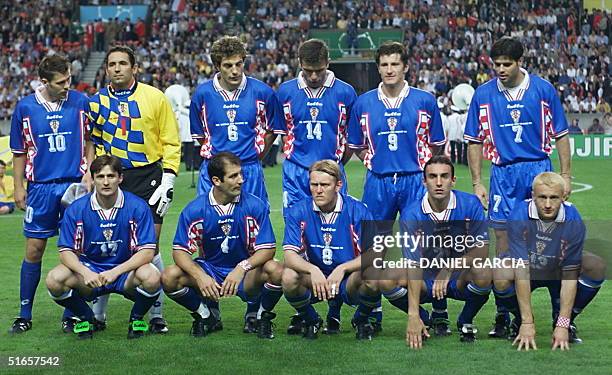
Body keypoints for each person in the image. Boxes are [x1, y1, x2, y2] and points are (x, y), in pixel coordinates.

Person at [464, 37, 572, 337]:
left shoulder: (542, 90)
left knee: (551, 245)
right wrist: (477, 182)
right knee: (503, 244)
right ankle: (505, 314)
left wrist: (566, 175)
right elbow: (474, 140)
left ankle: (559, 316)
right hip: (503, 174)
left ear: (520, 61)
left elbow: (561, 134)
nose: (500, 69)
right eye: (496, 64)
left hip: (538, 169)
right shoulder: (483, 94)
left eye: (506, 64)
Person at [347, 41, 447, 333]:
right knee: (373, 248)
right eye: (384, 65)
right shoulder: (363, 102)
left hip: (415, 179)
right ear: (378, 68)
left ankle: (437, 308)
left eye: (395, 64)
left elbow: (436, 143)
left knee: (425, 246)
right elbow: (356, 146)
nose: (389, 70)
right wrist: (375, 162)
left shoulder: (424, 100)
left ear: (405, 67)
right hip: (378, 182)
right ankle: (372, 309)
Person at [87, 45, 180, 334]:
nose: (117, 68)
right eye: (112, 63)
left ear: (134, 68)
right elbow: (91, 141)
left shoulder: (155, 97)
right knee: (104, 246)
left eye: (123, 63)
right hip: (110, 178)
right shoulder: (96, 102)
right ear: (106, 69)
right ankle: (97, 315)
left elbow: (171, 141)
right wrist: (90, 175)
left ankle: (155, 314)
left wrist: (169, 180)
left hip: (148, 177)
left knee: (149, 246)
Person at [273, 39, 359, 332]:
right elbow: (281, 134)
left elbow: (349, 140)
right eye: (308, 70)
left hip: (331, 171)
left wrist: (334, 167)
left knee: (337, 235)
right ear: (299, 64)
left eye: (319, 70)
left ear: (328, 63)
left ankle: (334, 307)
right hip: (296, 174)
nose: (313, 76)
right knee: (298, 238)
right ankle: (306, 311)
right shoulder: (284, 91)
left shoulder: (345, 92)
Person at [8, 54, 91, 334]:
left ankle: (72, 313)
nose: (68, 85)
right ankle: (24, 314)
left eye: (69, 79)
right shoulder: (25, 107)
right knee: (34, 249)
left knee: (73, 251)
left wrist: (89, 171)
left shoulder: (80, 102)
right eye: (61, 82)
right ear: (44, 81)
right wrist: (19, 186)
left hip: (73, 185)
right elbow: (19, 152)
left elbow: (90, 140)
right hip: (41, 187)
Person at [162, 152, 283, 339]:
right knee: (169, 276)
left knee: (277, 270)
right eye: (234, 176)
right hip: (211, 270)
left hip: (246, 274)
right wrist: (200, 276)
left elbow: (268, 248)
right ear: (216, 180)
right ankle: (205, 315)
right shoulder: (195, 209)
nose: (241, 180)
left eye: (241, 174)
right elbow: (180, 251)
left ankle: (260, 316)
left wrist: (241, 268)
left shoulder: (255, 205)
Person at [378, 156, 491, 348]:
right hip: (426, 279)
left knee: (485, 273)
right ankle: (423, 319)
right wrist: (413, 314)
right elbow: (412, 265)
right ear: (424, 181)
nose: (439, 182)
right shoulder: (411, 214)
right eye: (432, 177)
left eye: (444, 176)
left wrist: (448, 269)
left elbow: (482, 250)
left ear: (453, 180)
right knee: (387, 278)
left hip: (458, 277)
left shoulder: (471, 204)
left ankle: (465, 318)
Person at [45, 155, 161, 339]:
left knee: (153, 277)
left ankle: (136, 318)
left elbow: (147, 251)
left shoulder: (138, 206)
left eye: (111, 176)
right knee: (54, 279)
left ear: (120, 178)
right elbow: (66, 251)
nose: (106, 182)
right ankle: (85, 316)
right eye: (100, 177)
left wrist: (115, 272)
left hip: (125, 273)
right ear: (93, 179)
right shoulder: (76, 209)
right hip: (91, 272)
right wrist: (85, 272)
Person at [498, 172, 605, 350]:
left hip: (558, 269)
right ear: (532, 196)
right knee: (500, 274)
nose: (548, 204)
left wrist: (563, 324)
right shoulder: (519, 215)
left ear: (563, 197)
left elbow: (570, 274)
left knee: (596, 265)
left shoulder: (573, 220)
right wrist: (527, 322)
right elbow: (521, 270)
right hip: (528, 269)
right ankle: (519, 319)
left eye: (554, 198)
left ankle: (565, 319)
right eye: (542, 197)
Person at [282, 160, 381, 340]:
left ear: (338, 185)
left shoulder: (357, 210)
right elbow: (289, 256)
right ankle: (311, 319)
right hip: (315, 279)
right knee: (288, 276)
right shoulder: (297, 210)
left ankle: (360, 318)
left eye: (325, 185)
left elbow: (375, 254)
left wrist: (343, 268)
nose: (318, 190)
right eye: (314, 185)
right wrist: (313, 269)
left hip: (348, 280)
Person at [189, 36, 278, 200]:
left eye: (239, 64)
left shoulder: (263, 92)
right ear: (217, 66)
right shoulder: (202, 95)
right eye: (228, 66)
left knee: (254, 222)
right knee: (210, 222)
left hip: (249, 168)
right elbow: (200, 135)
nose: (235, 71)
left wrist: (257, 154)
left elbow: (272, 129)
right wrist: (219, 160)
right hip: (214, 171)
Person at [165, 83, 199, 171]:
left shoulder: (187, 112)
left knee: (192, 151)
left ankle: (193, 165)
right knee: (188, 151)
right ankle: (189, 165)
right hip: (186, 136)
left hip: (191, 135)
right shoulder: (181, 113)